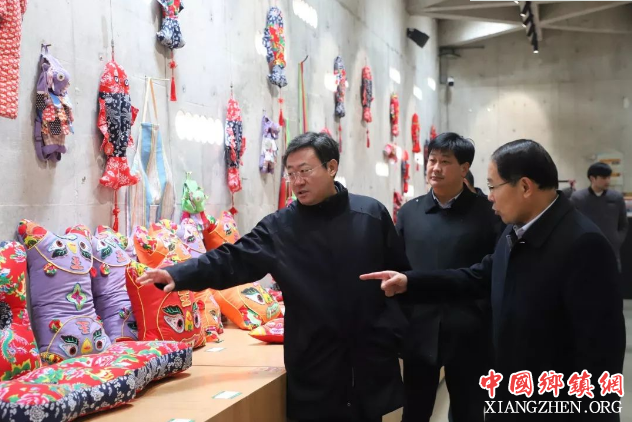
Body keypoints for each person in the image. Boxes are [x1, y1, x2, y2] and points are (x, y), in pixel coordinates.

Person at [139, 132, 411, 422]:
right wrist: (179, 273)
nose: (297, 181)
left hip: (367, 360)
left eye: (305, 171)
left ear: (331, 167)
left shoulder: (370, 216)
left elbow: (401, 279)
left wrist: (392, 334)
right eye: (291, 174)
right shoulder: (280, 228)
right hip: (314, 364)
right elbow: (232, 258)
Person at [362, 139, 625, 421]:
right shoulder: (517, 232)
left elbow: (600, 358)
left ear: (525, 187)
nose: (489, 197)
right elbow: (480, 275)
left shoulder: (584, 245)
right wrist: (410, 282)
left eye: (493, 187)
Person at [396, 133, 501, 422]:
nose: (435, 168)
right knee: (415, 411)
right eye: (432, 160)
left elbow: (493, 270)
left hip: (471, 329)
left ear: (464, 168)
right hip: (419, 329)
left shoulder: (489, 213)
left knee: (470, 410)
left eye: (445, 162)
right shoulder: (410, 212)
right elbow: (396, 265)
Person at [571, 163, 628, 272]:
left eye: (609, 177)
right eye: (603, 178)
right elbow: (571, 224)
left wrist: (617, 240)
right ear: (592, 178)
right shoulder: (578, 198)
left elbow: (623, 224)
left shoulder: (616, 198)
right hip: (585, 252)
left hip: (611, 250)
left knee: (612, 279)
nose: (608, 181)